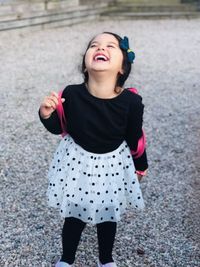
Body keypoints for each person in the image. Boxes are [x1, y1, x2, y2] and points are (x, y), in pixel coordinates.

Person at [39, 32, 148, 267]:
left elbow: (134, 137)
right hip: (77, 161)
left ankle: (106, 259)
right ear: (85, 64)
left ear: (122, 68)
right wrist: (46, 114)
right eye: (94, 45)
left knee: (108, 214)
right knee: (75, 214)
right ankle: (67, 258)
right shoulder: (71, 94)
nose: (101, 48)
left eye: (111, 46)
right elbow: (61, 127)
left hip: (111, 164)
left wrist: (141, 165)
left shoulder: (131, 102)